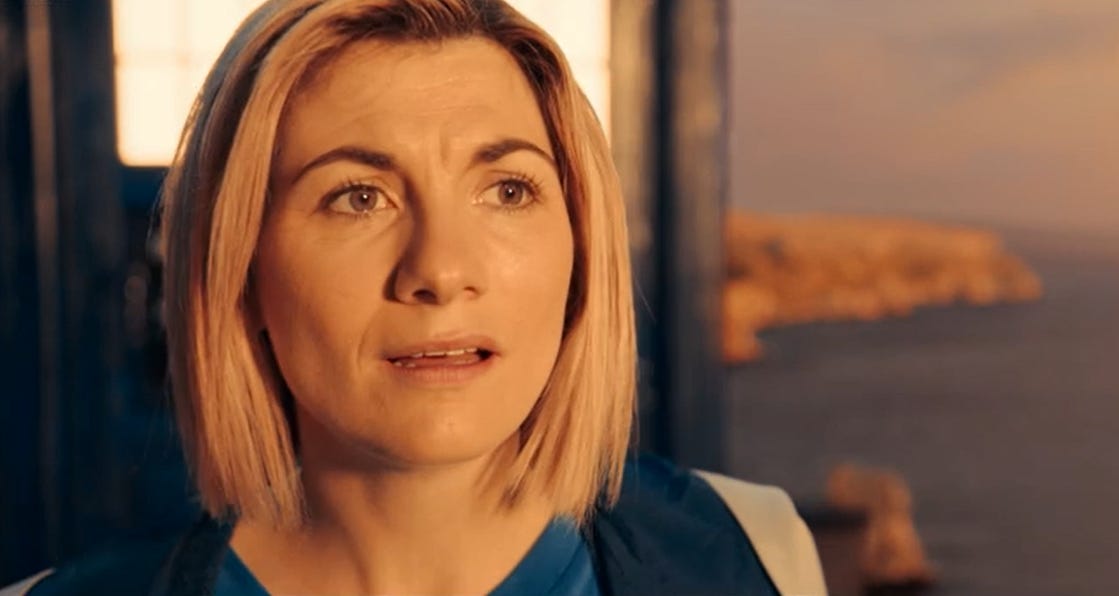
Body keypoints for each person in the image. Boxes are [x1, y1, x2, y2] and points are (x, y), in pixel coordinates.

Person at [2, 0, 825, 594]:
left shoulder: (753, 551)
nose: (439, 269)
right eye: (357, 197)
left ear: (581, 248)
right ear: (241, 273)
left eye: (506, 190)